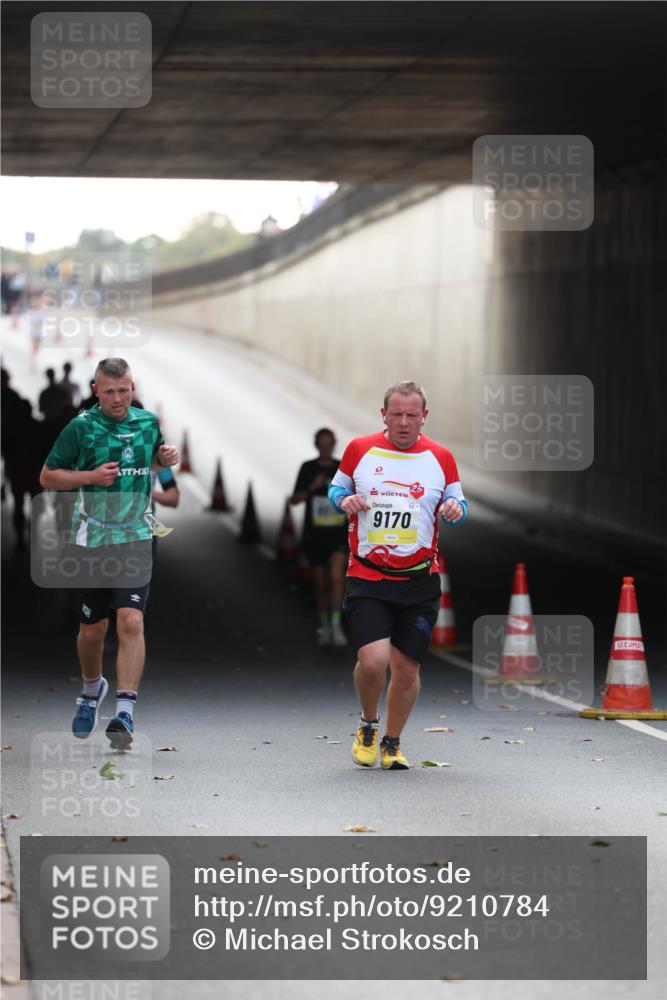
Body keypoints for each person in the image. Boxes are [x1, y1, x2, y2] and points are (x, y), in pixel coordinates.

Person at [39, 357, 179, 749]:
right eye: (110, 391)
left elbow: (151, 462)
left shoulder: (148, 422)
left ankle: (125, 712)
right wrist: (89, 477)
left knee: (132, 621)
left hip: (135, 536)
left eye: (124, 390)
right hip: (92, 539)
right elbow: (47, 475)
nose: (118, 399)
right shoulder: (81, 427)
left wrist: (163, 461)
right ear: (96, 390)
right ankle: (90, 689)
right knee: (92, 629)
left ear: (132, 387)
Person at [328, 381, 468, 770]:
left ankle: (392, 742)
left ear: (424, 416)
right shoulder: (360, 449)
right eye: (396, 415)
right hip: (369, 576)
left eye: (412, 415)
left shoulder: (441, 457)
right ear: (383, 415)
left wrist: (456, 508)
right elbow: (335, 490)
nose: (404, 422)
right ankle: (368, 724)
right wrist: (346, 500)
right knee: (373, 661)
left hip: (419, 580)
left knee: (406, 669)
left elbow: (458, 499)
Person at [290, 428, 348, 647]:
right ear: (316, 445)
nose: (326, 448)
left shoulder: (342, 468)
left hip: (338, 533)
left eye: (329, 444)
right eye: (322, 444)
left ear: (334, 444)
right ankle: (324, 625)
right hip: (315, 533)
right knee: (321, 583)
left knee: (336, 577)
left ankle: (336, 625)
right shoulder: (308, 468)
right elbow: (294, 500)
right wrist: (312, 487)